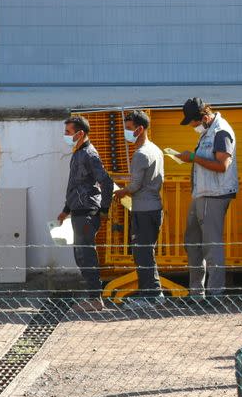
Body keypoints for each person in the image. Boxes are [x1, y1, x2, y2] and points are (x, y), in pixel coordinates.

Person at [176, 97, 238, 298]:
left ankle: (215, 294)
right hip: (201, 193)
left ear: (203, 117)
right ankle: (196, 292)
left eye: (192, 122)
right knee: (192, 242)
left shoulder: (221, 132)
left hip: (215, 195)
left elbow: (222, 166)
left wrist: (193, 158)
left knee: (212, 245)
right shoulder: (208, 131)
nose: (191, 126)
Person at [57, 116, 114, 311]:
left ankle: (95, 299)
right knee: (80, 255)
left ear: (80, 134)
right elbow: (75, 185)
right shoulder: (78, 153)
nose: (65, 136)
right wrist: (66, 210)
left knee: (86, 255)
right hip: (77, 211)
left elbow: (106, 181)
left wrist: (104, 209)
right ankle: (93, 296)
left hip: (87, 212)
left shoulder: (89, 154)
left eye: (68, 132)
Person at [113, 110, 165, 303]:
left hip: (143, 210)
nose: (126, 132)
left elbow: (135, 185)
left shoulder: (140, 154)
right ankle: (154, 293)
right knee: (146, 252)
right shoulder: (156, 150)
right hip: (154, 207)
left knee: (142, 254)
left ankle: (150, 296)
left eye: (128, 129)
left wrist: (120, 192)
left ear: (140, 129)